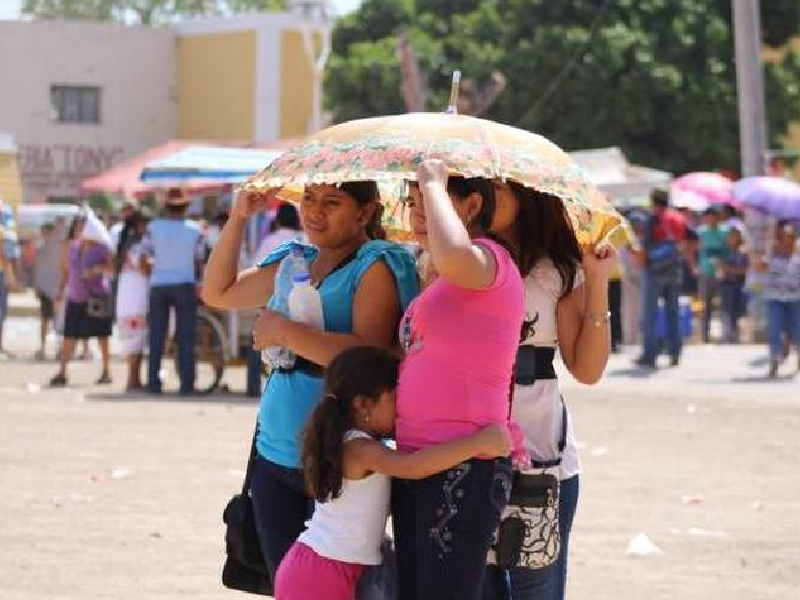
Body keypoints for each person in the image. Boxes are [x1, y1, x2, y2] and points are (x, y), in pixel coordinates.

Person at [202, 182, 419, 583]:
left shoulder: (375, 264)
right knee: (292, 584)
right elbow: (218, 292)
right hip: (274, 451)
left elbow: (366, 359)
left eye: (332, 203)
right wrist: (237, 218)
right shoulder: (294, 259)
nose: (315, 212)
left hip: (339, 458)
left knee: (334, 585)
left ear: (365, 212)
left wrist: (284, 333)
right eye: (310, 200)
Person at [276, 346, 511, 600]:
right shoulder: (358, 448)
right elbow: (413, 466)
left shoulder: (363, 445)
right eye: (395, 396)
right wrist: (480, 442)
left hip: (330, 569)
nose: (402, 405)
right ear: (363, 404)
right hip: (322, 574)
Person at [391, 160, 524, 600]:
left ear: (471, 205)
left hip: (463, 465)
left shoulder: (490, 262)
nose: (418, 213)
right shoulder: (442, 278)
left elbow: (452, 254)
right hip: (419, 459)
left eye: (431, 201)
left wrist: (432, 180)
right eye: (412, 202)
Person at [482, 182, 617, 600]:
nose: (483, 195)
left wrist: (596, 281)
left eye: (495, 188)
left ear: (528, 195)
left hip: (544, 462)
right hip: (464, 454)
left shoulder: (556, 270)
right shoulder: (455, 261)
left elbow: (587, 369)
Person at [141, 189, 205, 395]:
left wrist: (152, 272)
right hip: (185, 284)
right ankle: (187, 384)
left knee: (156, 336)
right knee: (186, 336)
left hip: (159, 284)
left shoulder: (153, 227)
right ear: (185, 207)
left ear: (165, 206)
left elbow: (143, 256)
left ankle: (153, 382)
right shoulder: (195, 230)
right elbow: (199, 260)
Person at [49, 211, 114, 386]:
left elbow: (113, 267)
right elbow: (66, 271)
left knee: (102, 335)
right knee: (69, 335)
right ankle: (63, 371)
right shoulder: (71, 247)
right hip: (76, 297)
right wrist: (61, 291)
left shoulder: (102, 247)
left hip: (97, 295)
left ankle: (106, 371)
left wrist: (95, 270)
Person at [246, 202, 304, 397]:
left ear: (277, 220)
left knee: (258, 344)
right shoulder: (303, 240)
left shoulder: (270, 241)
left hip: (270, 304)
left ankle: (253, 386)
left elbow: (256, 268)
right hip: (298, 305)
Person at [636, 189, 686, 368]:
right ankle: (675, 352)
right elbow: (687, 241)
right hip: (674, 270)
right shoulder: (678, 218)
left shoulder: (653, 219)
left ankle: (650, 355)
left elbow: (645, 247)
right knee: (673, 313)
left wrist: (642, 262)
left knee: (650, 314)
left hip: (654, 271)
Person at [758, 221, 800, 378]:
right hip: (775, 299)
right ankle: (774, 358)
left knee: (797, 331)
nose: (785, 240)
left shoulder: (797, 257)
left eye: (788, 236)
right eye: (782, 236)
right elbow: (759, 265)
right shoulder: (771, 256)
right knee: (775, 329)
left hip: (795, 300)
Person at [116, 210, 151, 391]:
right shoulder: (137, 246)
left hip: (128, 296)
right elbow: (144, 268)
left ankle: (134, 379)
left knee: (134, 341)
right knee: (136, 341)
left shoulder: (126, 245)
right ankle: (132, 380)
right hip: (135, 297)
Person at [33, 220, 66, 360]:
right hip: (45, 288)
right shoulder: (41, 247)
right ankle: (42, 347)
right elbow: (37, 268)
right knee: (45, 319)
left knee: (57, 320)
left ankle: (59, 349)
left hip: (57, 287)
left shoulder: (59, 247)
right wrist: (37, 285)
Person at [697, 207, 730, 343]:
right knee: (705, 305)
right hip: (705, 272)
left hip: (723, 272)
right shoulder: (701, 232)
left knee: (725, 304)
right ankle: (705, 335)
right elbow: (694, 249)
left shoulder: (725, 231)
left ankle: (726, 335)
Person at [719, 226, 748, 344]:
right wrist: (731, 269)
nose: (733, 238)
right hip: (726, 284)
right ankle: (726, 335)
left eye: (735, 236)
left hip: (739, 284)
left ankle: (736, 334)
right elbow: (720, 267)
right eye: (731, 236)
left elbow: (745, 269)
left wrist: (731, 269)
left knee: (738, 310)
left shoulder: (743, 252)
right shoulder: (724, 252)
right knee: (726, 309)